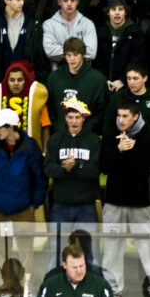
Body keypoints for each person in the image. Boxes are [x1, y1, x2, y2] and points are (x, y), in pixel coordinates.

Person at [100, 102, 150, 297]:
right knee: (111, 251)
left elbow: (146, 170)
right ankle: (113, 293)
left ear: (136, 117)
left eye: (125, 116)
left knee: (149, 251)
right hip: (114, 202)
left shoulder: (149, 136)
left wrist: (131, 150)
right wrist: (119, 149)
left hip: (141, 203)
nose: (121, 120)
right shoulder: (111, 134)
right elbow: (104, 167)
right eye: (119, 115)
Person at [0, 107, 47, 297]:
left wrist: (33, 204)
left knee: (26, 253)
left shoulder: (30, 148)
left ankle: (28, 290)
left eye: (0, 128)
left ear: (11, 127)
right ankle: (6, 290)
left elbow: (40, 179)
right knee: (0, 252)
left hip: (23, 211)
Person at [44, 99, 101, 237]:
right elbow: (48, 169)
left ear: (83, 118)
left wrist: (77, 165)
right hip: (60, 204)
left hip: (86, 204)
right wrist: (64, 168)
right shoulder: (55, 140)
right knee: (57, 251)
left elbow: (96, 170)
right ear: (65, 118)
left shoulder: (94, 140)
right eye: (70, 117)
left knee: (90, 253)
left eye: (77, 117)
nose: (74, 121)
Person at [44, 36, 107, 137]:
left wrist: (88, 128)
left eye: (75, 54)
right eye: (69, 55)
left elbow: (103, 110)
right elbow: (49, 106)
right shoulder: (54, 78)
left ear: (83, 55)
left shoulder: (97, 79)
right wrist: (57, 127)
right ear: (64, 56)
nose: (72, 59)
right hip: (61, 135)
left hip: (88, 136)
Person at [0, 60, 49, 149]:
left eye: (20, 80)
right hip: (3, 151)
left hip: (30, 152)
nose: (16, 84)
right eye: (12, 80)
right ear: (7, 81)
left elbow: (45, 126)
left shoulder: (36, 97)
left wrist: (45, 151)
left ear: (25, 81)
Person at [94, 0, 145, 93]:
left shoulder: (136, 33)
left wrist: (123, 80)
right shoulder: (100, 32)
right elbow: (96, 61)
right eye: (113, 9)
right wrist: (102, 80)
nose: (117, 13)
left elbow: (138, 61)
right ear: (108, 12)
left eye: (120, 9)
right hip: (103, 85)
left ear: (126, 12)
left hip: (127, 87)